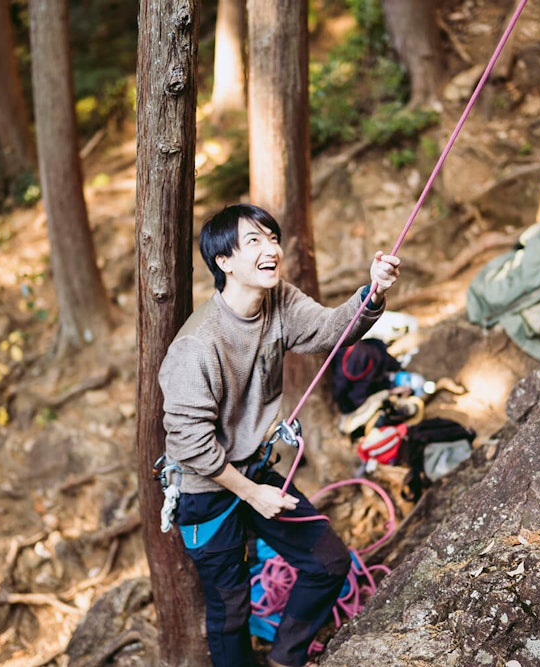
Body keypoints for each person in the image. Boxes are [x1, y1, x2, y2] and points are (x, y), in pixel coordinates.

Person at [158, 203, 401, 667]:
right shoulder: (197, 345)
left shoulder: (278, 301)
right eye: (254, 241)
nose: (271, 248)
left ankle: (285, 658)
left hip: (256, 471)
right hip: (207, 492)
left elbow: (329, 330)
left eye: (272, 238)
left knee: (329, 562)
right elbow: (189, 444)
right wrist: (252, 495)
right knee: (230, 611)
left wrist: (373, 293)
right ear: (223, 262)